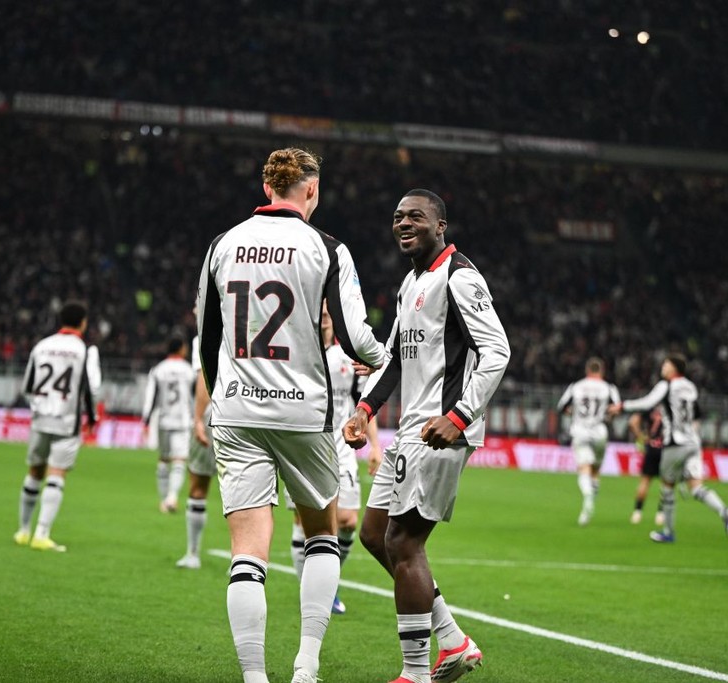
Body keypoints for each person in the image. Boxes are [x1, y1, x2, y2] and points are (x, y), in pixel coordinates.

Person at [196, 147, 386, 683]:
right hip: (302, 413)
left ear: (267, 188)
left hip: (236, 410)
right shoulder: (327, 248)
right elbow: (354, 337)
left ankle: (254, 677)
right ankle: (306, 665)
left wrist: (225, 396)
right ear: (312, 190)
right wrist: (386, 359)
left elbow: (207, 339)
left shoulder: (222, 245)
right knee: (321, 534)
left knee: (247, 552)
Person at [343, 189, 510, 683]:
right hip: (411, 430)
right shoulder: (411, 281)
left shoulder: (460, 277)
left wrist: (459, 416)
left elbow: (497, 351)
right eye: (398, 217)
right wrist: (364, 410)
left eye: (416, 216)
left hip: (440, 431)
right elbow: (396, 356)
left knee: (404, 542)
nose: (403, 223)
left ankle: (414, 674)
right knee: (375, 535)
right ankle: (453, 640)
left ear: (440, 226)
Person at [286, 302, 383, 614]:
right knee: (305, 521)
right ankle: (313, 593)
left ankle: (326, 583)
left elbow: (362, 404)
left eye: (329, 314)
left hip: (342, 447)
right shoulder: (299, 354)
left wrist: (375, 446)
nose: (325, 318)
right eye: (321, 313)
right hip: (305, 446)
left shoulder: (348, 358)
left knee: (347, 521)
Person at [608, 352, 728, 543]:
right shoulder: (691, 387)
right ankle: (723, 510)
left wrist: (622, 406)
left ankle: (668, 532)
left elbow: (647, 403)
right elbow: (696, 414)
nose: (663, 368)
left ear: (674, 368)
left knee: (667, 486)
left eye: (666, 365)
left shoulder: (666, 385)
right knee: (696, 487)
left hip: (674, 443)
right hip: (693, 442)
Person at [14, 300, 101, 552]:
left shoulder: (42, 346)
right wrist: (92, 418)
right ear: (83, 323)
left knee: (34, 472)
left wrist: (39, 406)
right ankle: (42, 534)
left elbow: (27, 386)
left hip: (41, 419)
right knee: (56, 475)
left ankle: (23, 531)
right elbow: (92, 388)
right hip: (67, 421)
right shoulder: (85, 350)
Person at [556, 357, 621, 526]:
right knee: (596, 469)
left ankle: (588, 497)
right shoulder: (609, 387)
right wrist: (608, 415)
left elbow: (561, 407)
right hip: (599, 431)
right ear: (602, 370)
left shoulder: (576, 386)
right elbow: (617, 408)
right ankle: (592, 497)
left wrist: (573, 412)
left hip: (580, 430)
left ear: (587, 370)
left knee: (584, 467)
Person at [175, 333, 218, 569]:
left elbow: (204, 377)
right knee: (245, 493)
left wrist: (198, 419)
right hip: (248, 413)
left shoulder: (203, 333)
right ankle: (244, 558)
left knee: (199, 485)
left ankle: (192, 554)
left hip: (215, 413)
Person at [141, 336, 195, 514]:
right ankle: (172, 497)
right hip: (183, 421)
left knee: (164, 459)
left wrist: (146, 421)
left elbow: (151, 397)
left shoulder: (158, 370)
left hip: (164, 420)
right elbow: (193, 397)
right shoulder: (189, 370)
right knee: (179, 460)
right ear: (180, 349)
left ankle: (164, 500)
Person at [628, 408, 665, 526]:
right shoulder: (672, 405)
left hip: (651, 448)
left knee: (645, 481)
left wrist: (640, 437)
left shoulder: (650, 405)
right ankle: (661, 514)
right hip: (666, 449)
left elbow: (633, 421)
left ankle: (637, 512)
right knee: (666, 484)